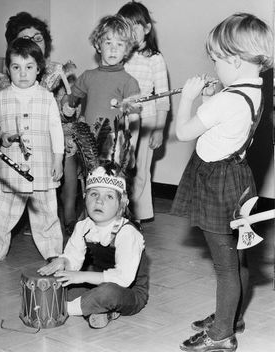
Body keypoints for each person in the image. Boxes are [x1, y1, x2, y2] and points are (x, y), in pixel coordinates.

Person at [171, 13, 273, 352]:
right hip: (237, 178)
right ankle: (232, 318)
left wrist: (187, 97)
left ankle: (221, 335)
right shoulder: (254, 90)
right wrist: (209, 98)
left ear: (235, 59)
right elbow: (222, 125)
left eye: (216, 60)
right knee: (237, 258)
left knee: (226, 267)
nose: (214, 67)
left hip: (217, 182)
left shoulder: (229, 99)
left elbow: (184, 131)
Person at [0, 37, 64, 264]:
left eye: (29, 67)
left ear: (39, 69)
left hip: (42, 168)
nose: (23, 73)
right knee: (3, 213)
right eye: (16, 67)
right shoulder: (0, 98)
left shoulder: (47, 98)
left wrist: (58, 160)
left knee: (46, 213)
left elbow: (57, 131)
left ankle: (53, 250)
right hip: (10, 171)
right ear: (8, 69)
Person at [0, 12, 79, 237]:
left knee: (68, 151)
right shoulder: (11, 74)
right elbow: (8, 113)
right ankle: (28, 216)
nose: (33, 43)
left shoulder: (58, 69)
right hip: (25, 134)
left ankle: (70, 217)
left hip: (58, 129)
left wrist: (67, 99)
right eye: (26, 39)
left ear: (46, 42)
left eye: (38, 38)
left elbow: (69, 110)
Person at [38, 165, 149, 329]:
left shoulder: (127, 233)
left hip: (128, 291)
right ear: (85, 197)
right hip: (95, 280)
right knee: (61, 285)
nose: (99, 201)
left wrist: (81, 277)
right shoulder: (83, 226)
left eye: (109, 196)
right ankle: (102, 311)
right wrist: (64, 262)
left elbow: (124, 278)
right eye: (94, 194)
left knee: (107, 293)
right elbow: (74, 258)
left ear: (122, 203)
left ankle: (65, 309)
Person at [62, 14, 140, 166]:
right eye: (108, 42)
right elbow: (72, 98)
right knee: (92, 184)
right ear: (98, 45)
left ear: (127, 50)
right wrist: (68, 106)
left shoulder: (129, 82)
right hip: (89, 141)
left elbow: (134, 120)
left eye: (119, 44)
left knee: (111, 186)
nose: (113, 49)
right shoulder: (87, 76)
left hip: (115, 143)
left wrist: (131, 149)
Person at [118, 1, 170, 222]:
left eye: (134, 26)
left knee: (141, 169)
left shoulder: (155, 58)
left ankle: (137, 216)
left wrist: (159, 129)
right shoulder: (119, 55)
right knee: (120, 165)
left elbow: (163, 97)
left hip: (147, 120)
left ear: (147, 28)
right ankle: (117, 211)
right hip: (122, 119)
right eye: (124, 26)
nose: (129, 31)